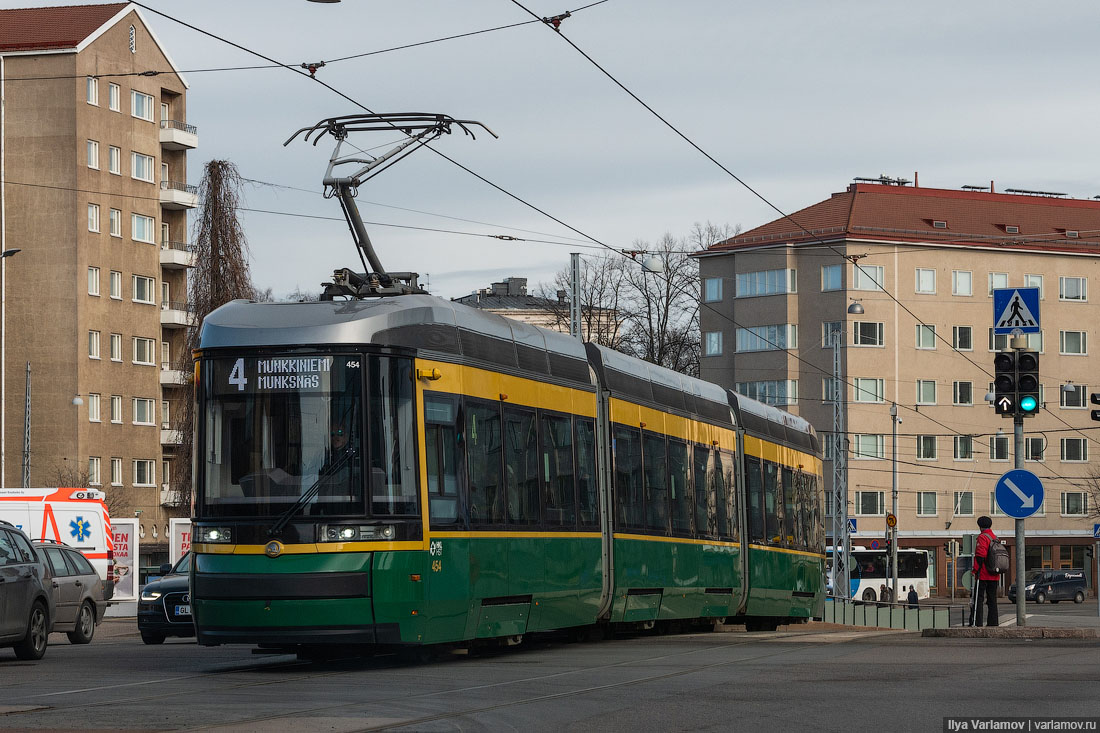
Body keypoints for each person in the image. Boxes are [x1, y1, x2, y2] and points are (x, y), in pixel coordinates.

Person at [972, 515, 999, 627]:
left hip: (983, 574)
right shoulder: (994, 537)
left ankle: (977, 623)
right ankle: (993, 623)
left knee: (978, 599)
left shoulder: (983, 537)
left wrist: (975, 570)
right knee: (992, 600)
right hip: (995, 574)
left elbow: (980, 555)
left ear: (980, 526)